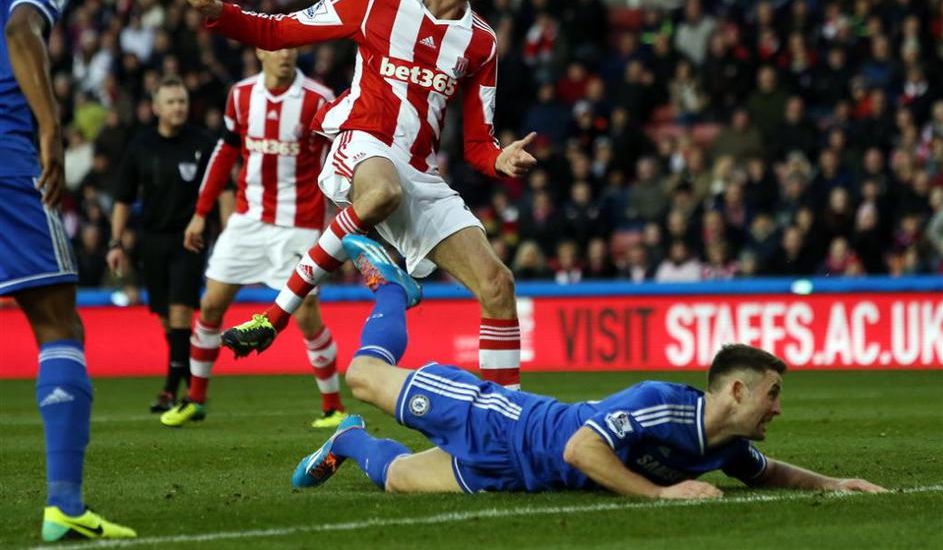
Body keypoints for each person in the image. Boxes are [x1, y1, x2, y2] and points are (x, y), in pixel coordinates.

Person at [182, 0, 537, 389]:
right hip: (363, 142)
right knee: (383, 191)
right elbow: (279, 31)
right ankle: (276, 314)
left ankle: (507, 416)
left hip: (421, 172)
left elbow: (478, 143)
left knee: (498, 285)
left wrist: (499, 158)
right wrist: (216, 11)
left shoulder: (481, 43)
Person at [292, 236, 887, 499]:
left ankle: (348, 440)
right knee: (362, 378)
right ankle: (392, 290)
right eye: (771, 394)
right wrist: (660, 495)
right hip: (499, 421)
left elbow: (769, 474)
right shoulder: (661, 403)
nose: (778, 408)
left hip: (515, 477)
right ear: (736, 389)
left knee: (396, 478)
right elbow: (580, 450)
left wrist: (835, 485)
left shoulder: (724, 447)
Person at [0, 0, 135, 540]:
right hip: (7, 155)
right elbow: (21, 31)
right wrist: (51, 129)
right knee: (59, 325)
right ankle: (64, 504)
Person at [161, 48, 348, 428]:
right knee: (210, 306)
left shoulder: (318, 99)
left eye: (292, 47)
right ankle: (195, 399)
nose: (286, 54)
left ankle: (333, 407)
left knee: (307, 317)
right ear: (261, 51)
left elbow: (341, 154)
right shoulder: (241, 95)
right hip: (248, 220)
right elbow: (225, 153)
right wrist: (201, 212)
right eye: (278, 47)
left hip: (299, 225)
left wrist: (344, 209)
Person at [106, 76, 220, 412]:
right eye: (171, 102)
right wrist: (115, 242)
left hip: (191, 238)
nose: (178, 107)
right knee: (166, 318)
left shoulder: (203, 143)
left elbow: (224, 189)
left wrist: (226, 231)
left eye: (182, 101)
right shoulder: (141, 146)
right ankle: (189, 382)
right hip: (152, 240)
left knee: (181, 310)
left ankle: (170, 390)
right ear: (156, 108)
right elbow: (123, 198)